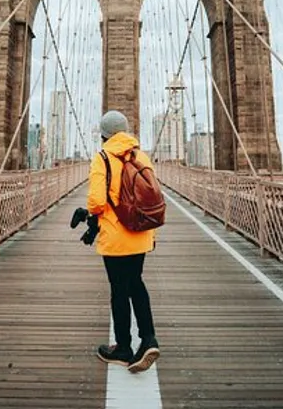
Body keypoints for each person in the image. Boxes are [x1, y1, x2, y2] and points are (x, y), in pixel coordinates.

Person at [87, 110, 160, 373]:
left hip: (117, 237)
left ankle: (124, 348)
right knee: (136, 284)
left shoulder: (103, 158)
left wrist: (93, 213)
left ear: (104, 135)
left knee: (119, 290)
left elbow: (96, 202)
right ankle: (149, 339)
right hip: (141, 234)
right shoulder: (141, 155)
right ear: (126, 130)